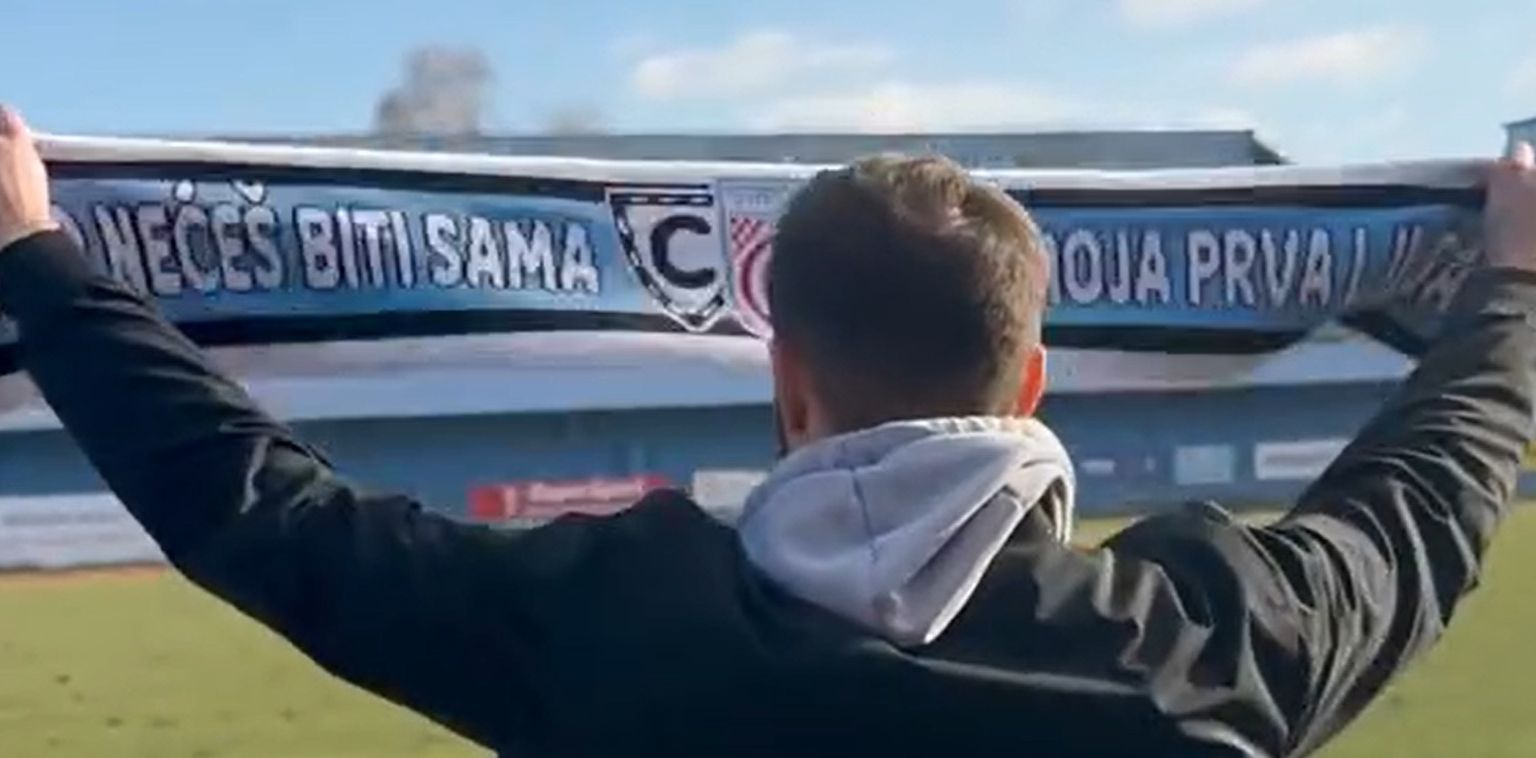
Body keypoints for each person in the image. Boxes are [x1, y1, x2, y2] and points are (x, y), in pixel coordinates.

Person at [0, 104, 1532, 758]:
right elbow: (1436, 480)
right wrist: (1512, 280)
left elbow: (265, 513)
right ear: (1031, 386)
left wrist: (38, 259)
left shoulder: (607, 627)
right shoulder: (1212, 638)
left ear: (785, 380)